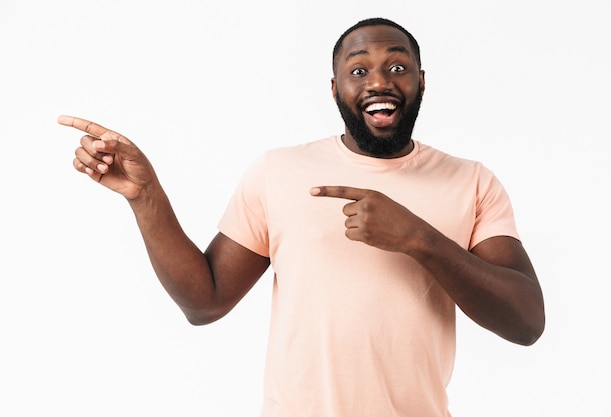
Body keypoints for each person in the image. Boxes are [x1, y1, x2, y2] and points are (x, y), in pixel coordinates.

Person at [59, 17, 544, 417]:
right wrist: (146, 197)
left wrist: (418, 238)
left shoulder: (473, 181)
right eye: (359, 71)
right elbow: (204, 303)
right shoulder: (280, 170)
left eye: (398, 66)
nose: (379, 81)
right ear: (335, 89)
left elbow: (526, 322)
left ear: (421, 81)